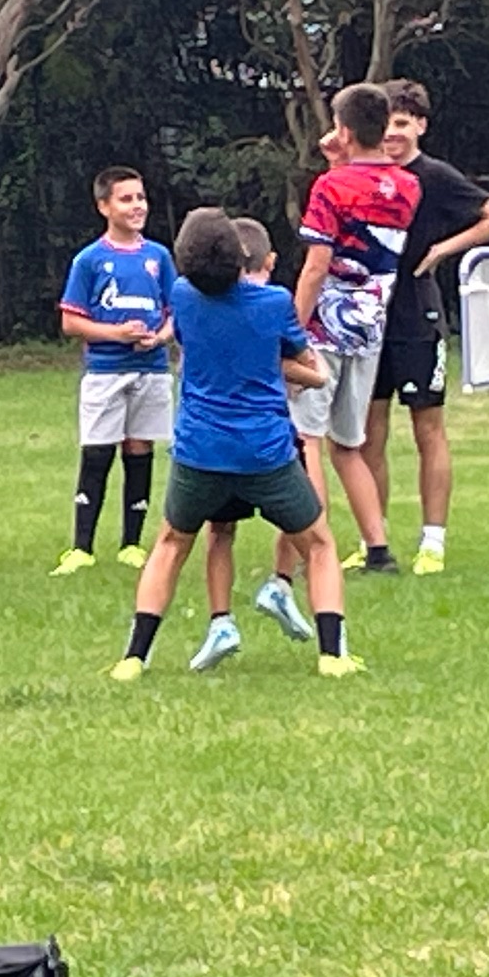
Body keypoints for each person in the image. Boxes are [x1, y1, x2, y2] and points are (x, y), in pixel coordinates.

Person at [110, 208, 361, 681]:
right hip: (265, 452)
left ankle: (133, 658)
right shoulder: (274, 302)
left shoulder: (182, 297)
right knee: (319, 544)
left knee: (171, 543)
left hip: (199, 451)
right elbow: (302, 358)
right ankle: (332, 655)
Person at [350, 78, 489, 575]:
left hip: (417, 317)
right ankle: (373, 540)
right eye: (386, 123)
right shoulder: (364, 174)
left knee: (428, 427)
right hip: (368, 317)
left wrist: (444, 249)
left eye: (402, 123)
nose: (392, 133)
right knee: (367, 433)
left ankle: (433, 542)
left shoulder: (436, 176)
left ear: (420, 126)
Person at [273, 81, 421, 580]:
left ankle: (312, 547)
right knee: (349, 444)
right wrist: (341, 159)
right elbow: (368, 196)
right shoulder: (408, 185)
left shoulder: (330, 188)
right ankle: (378, 549)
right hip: (369, 327)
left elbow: (318, 265)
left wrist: (292, 331)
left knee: (307, 440)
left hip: (324, 327)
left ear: (343, 130)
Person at [191, 217, 321, 671]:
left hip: (212, 440)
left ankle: (221, 620)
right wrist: (314, 375)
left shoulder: (203, 298)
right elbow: (295, 363)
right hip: (268, 435)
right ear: (269, 261)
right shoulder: (272, 303)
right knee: (303, 516)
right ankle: (281, 583)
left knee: (220, 531)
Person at [53, 166, 177, 575]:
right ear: (104, 206)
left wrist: (160, 337)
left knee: (140, 449)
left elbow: (174, 312)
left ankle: (132, 544)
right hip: (106, 371)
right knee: (98, 451)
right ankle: (81, 547)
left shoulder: (158, 257)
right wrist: (116, 334)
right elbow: (71, 321)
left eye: (140, 197)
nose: (137, 206)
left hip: (151, 369)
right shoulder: (90, 260)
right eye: (126, 199)